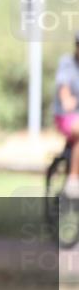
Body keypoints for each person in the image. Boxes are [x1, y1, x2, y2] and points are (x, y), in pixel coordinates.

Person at [55, 32, 79, 197]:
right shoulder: (67, 63)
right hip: (67, 116)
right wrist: (67, 99)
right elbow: (64, 89)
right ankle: (73, 179)